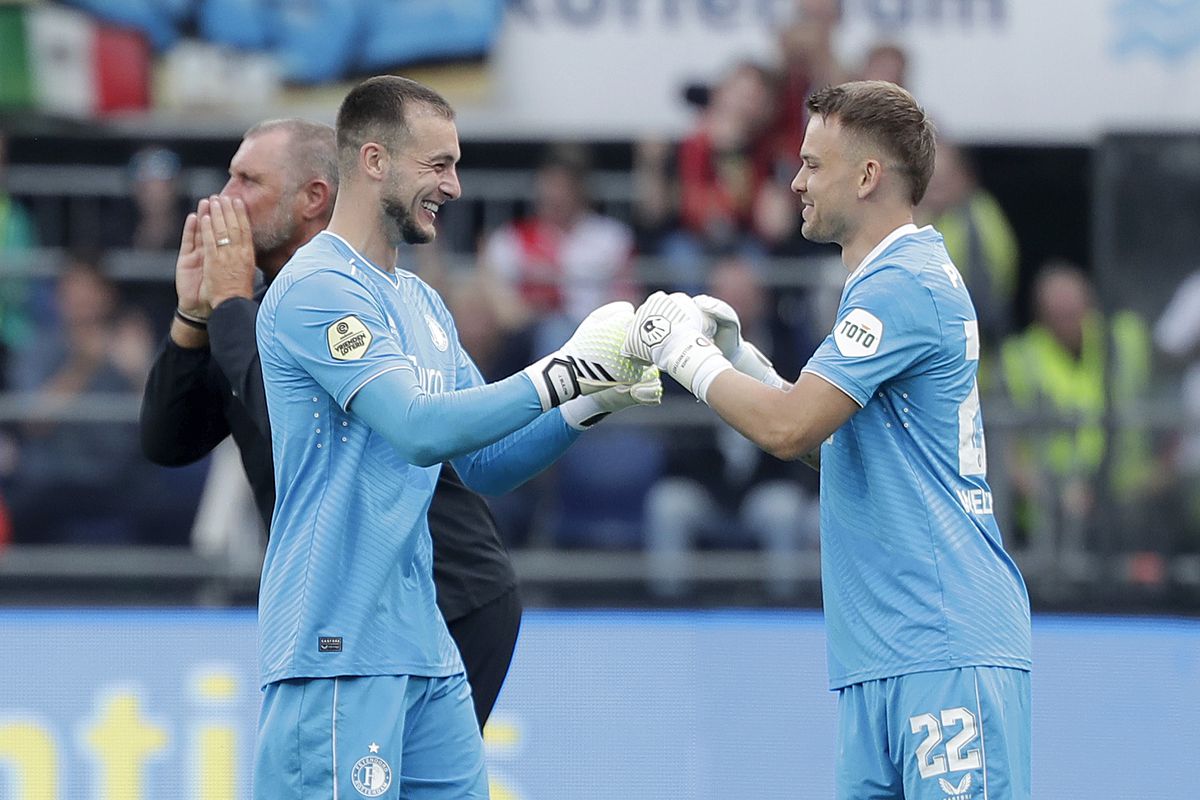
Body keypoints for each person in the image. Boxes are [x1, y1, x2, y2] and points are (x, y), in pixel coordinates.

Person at [623, 81, 1032, 798]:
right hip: (882, 653)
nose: (795, 181)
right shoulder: (888, 283)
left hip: (941, 644)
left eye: (813, 164)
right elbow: (826, 442)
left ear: (868, 176)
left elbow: (787, 430)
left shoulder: (902, 285)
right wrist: (744, 363)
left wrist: (689, 360)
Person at [250, 76, 655, 799]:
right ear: (374, 161)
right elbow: (414, 427)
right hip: (338, 646)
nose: (455, 185)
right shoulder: (316, 287)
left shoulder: (422, 301)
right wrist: (559, 372)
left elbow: (486, 463)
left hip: (423, 645)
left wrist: (592, 401)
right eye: (438, 165)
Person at [139, 118, 525, 729]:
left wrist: (232, 304)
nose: (222, 199)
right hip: (355, 609)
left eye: (246, 180)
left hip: (442, 594)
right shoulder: (256, 310)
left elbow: (280, 416)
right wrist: (193, 314)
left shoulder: (343, 298)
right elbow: (167, 442)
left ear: (313, 198)